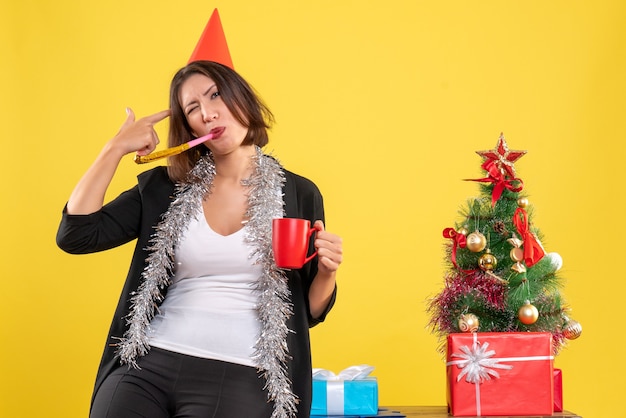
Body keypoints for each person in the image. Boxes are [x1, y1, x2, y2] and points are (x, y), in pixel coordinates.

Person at [56, 59, 342, 418]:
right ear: (188, 125)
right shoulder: (164, 186)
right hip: (146, 365)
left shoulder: (299, 193)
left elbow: (310, 311)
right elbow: (77, 235)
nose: (207, 113)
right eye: (193, 108)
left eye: (216, 95)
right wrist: (113, 149)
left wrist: (327, 272)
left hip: (241, 371)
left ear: (243, 99)